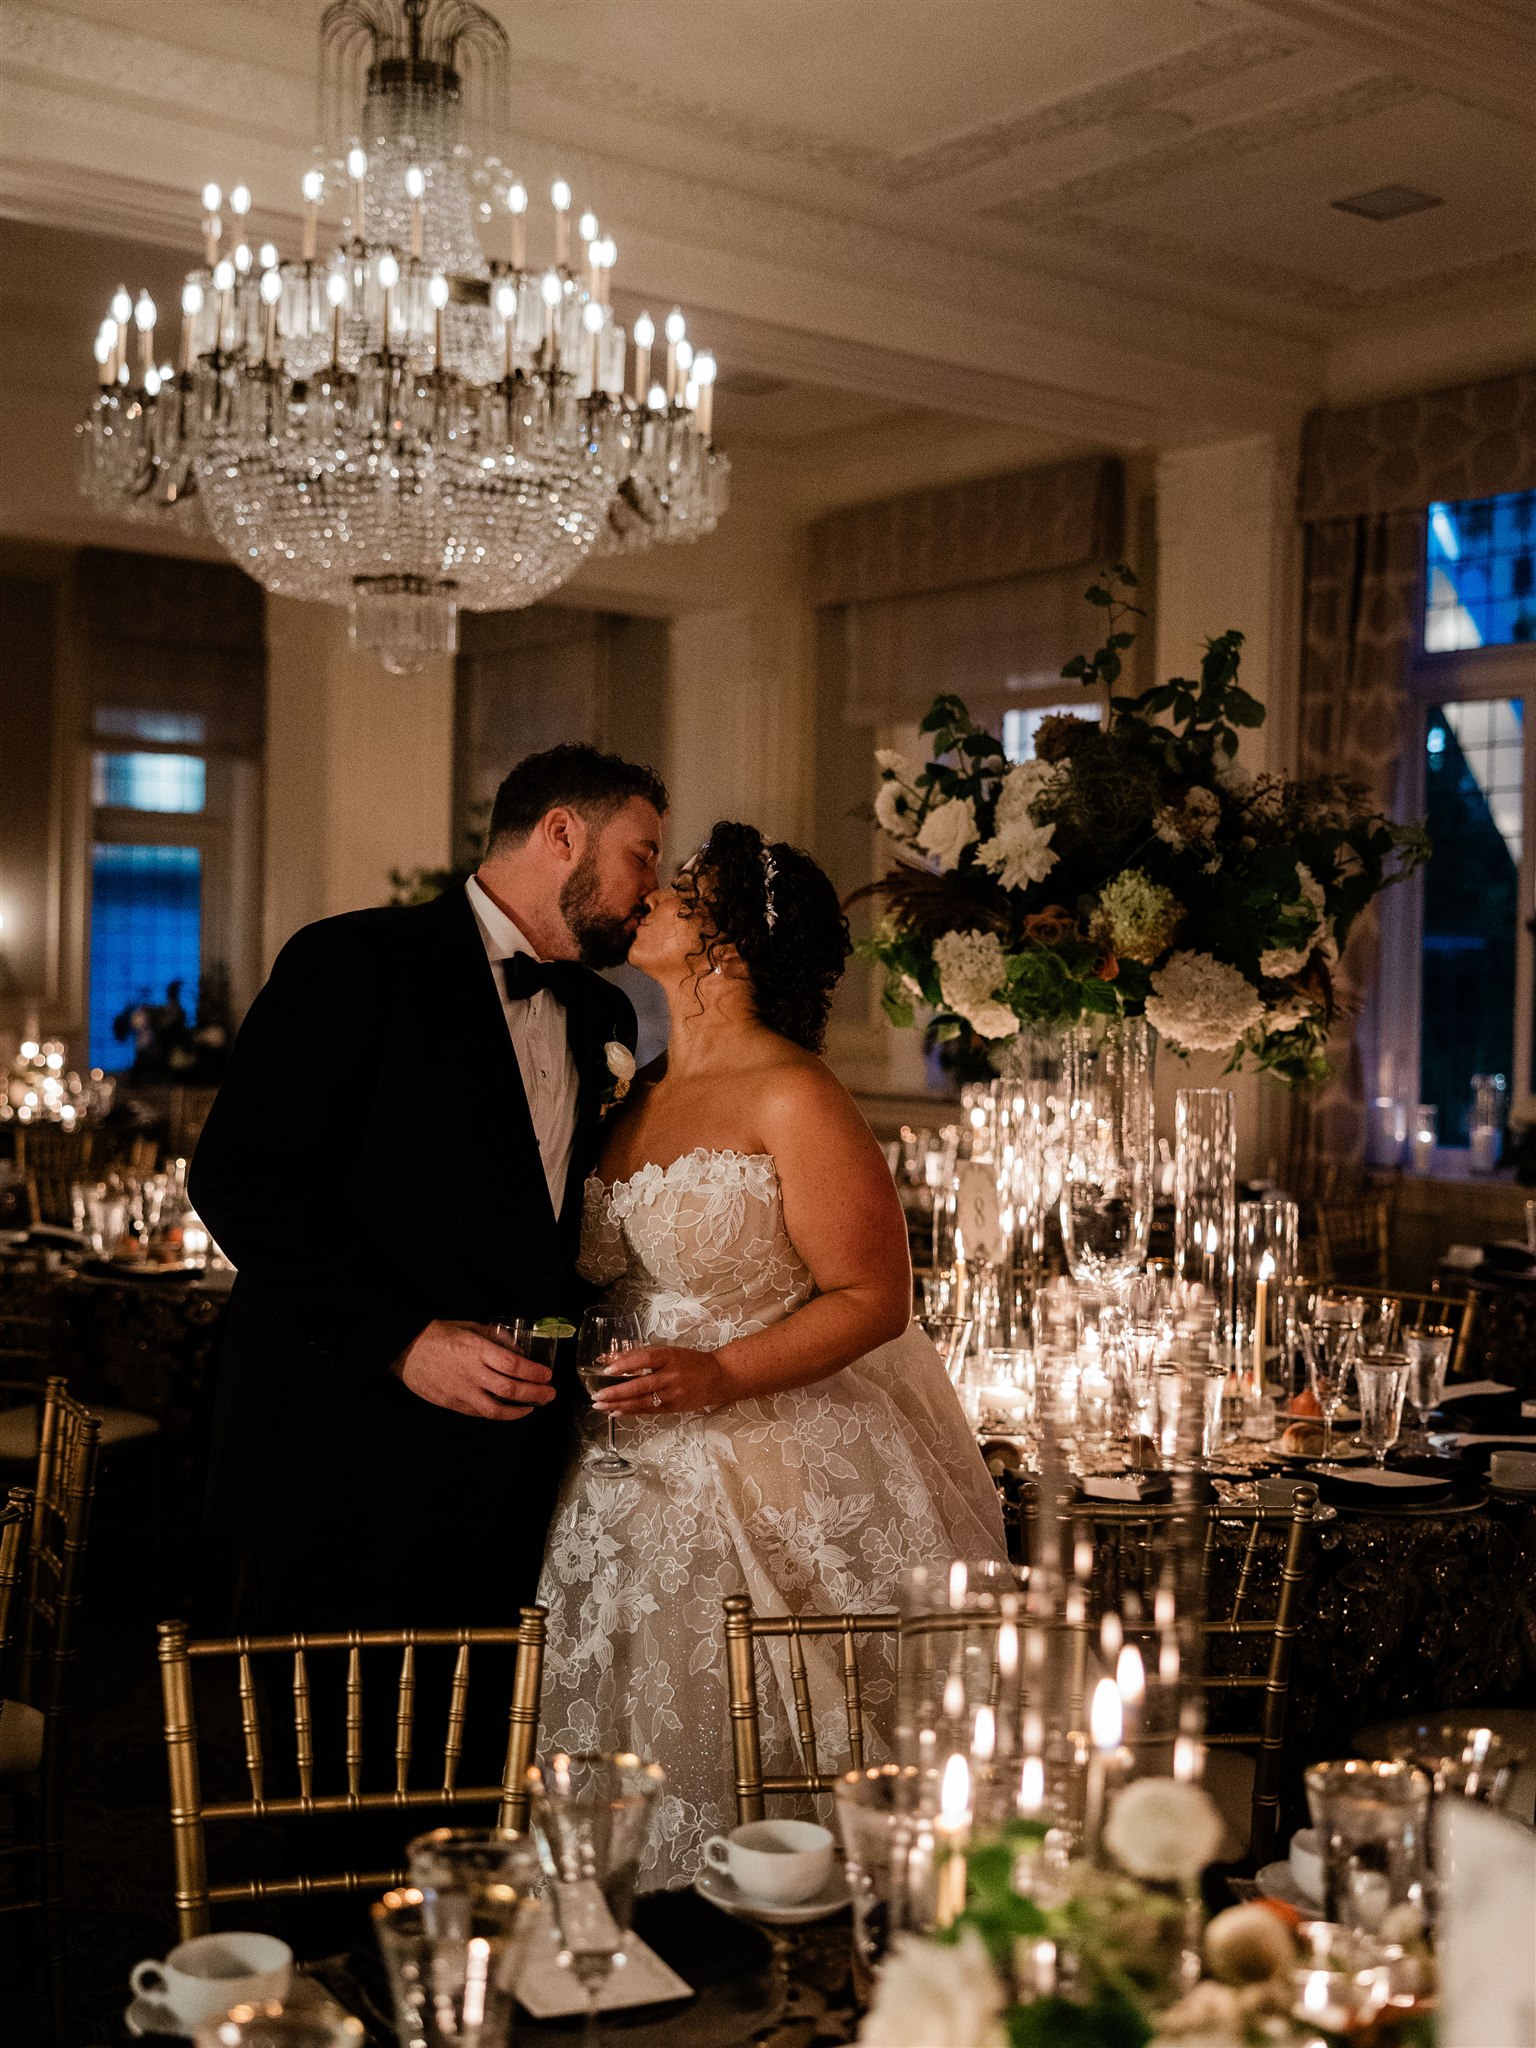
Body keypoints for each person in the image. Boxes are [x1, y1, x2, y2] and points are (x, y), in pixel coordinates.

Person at [536, 821, 1009, 1889]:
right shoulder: (632, 1088)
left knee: (787, 1728)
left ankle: (794, 1920)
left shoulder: (795, 1091)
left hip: (769, 1446)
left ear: (728, 945)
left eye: (681, 892)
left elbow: (877, 1297)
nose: (648, 895)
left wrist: (721, 1371)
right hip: (618, 1452)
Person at [190, 743, 667, 1633]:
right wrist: (402, 1341)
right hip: (344, 1443)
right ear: (562, 833)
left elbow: (550, 1236)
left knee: (484, 1744)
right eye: (642, 853)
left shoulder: (603, 1016)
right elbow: (239, 1177)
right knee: (338, 1751)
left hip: (513, 1468)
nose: (653, 885)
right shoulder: (356, 961)